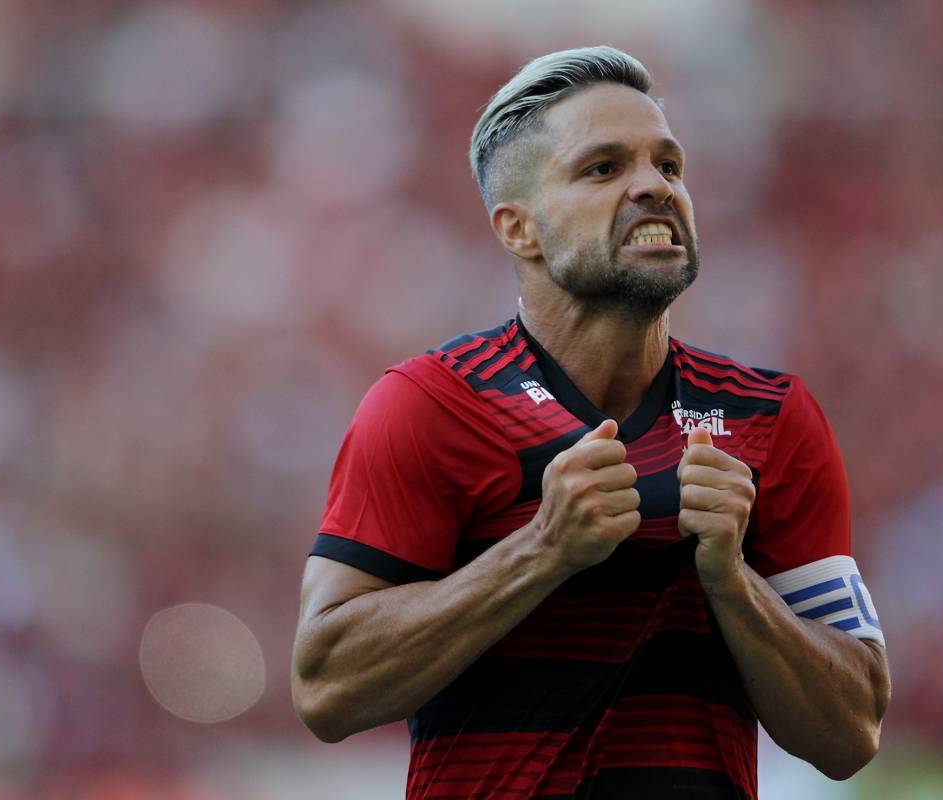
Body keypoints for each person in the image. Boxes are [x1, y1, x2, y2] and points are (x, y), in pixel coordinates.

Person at [292, 46, 891, 800]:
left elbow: (852, 730)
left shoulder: (771, 416)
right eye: (603, 168)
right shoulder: (430, 404)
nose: (653, 186)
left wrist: (734, 584)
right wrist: (541, 552)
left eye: (668, 166)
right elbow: (325, 685)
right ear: (519, 230)